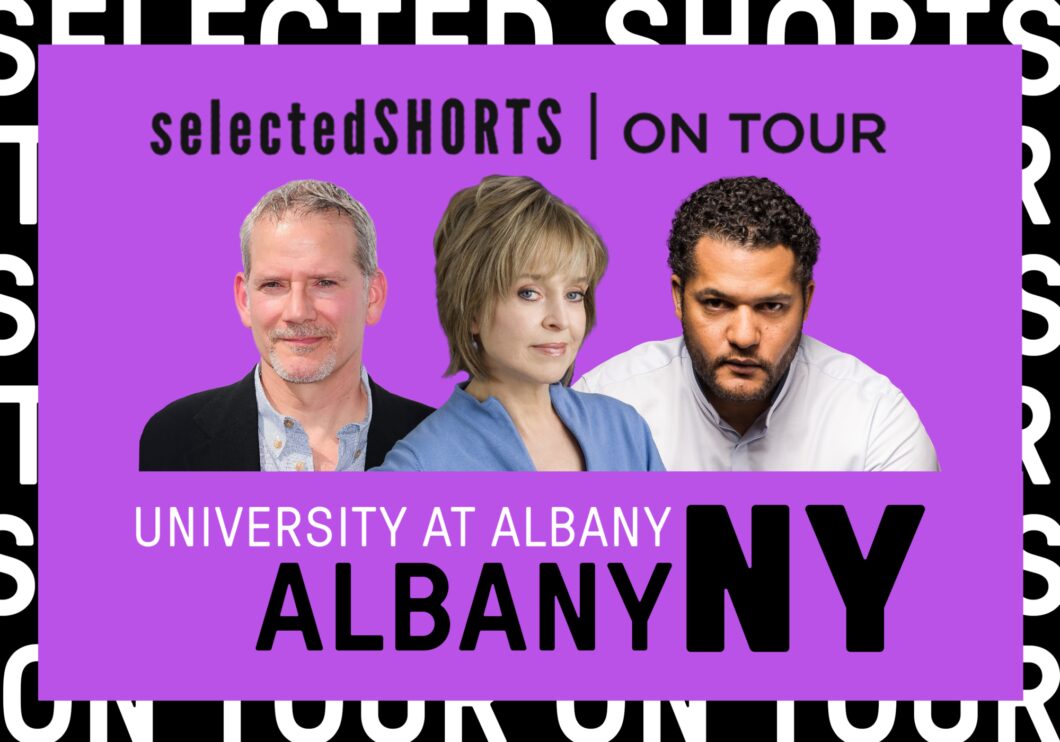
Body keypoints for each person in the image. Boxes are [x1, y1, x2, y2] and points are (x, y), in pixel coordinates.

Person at [575, 176, 938, 471]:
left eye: (771, 306)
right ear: (677, 297)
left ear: (807, 301)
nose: (744, 337)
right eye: (716, 304)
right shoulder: (600, 406)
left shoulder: (875, 420)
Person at [140, 180, 432, 471]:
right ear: (244, 300)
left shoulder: (441, 443)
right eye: (273, 285)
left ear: (373, 295)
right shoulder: (170, 441)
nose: (297, 312)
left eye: (324, 283)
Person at [375, 176, 663, 471]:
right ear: (472, 309)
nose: (560, 320)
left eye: (574, 294)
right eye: (529, 293)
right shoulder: (420, 466)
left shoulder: (626, 430)